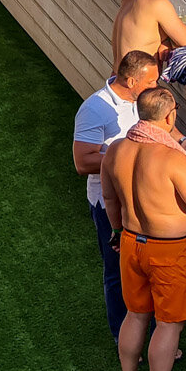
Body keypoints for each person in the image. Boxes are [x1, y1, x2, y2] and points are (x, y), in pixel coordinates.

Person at [102, 87, 186, 371]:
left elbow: (110, 199)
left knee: (135, 315)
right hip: (170, 251)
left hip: (131, 242)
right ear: (170, 116)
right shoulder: (173, 160)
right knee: (168, 324)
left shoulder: (117, 150)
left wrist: (116, 231)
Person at [73, 50, 163, 343]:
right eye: (151, 81)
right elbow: (83, 162)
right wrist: (129, 158)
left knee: (146, 271)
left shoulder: (145, 102)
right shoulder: (95, 109)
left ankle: (150, 336)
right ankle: (123, 337)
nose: (157, 85)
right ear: (131, 80)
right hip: (108, 204)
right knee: (118, 273)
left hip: (143, 199)